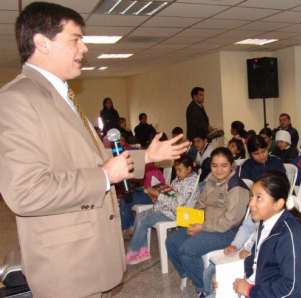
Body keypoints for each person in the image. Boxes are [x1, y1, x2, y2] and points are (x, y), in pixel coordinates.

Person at [0, 2, 189, 297]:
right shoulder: (16, 100)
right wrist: (102, 177)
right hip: (66, 267)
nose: (84, 48)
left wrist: (147, 157)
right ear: (42, 42)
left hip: (89, 260)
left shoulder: (62, 95)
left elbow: (92, 159)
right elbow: (25, 192)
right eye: (75, 39)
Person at [166, 147, 249, 297]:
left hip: (228, 232)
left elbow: (231, 220)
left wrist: (203, 227)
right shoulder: (211, 180)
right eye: (214, 165)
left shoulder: (236, 186)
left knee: (187, 250)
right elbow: (200, 204)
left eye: (224, 165)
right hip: (207, 226)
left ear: (232, 165)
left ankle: (204, 290)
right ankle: (192, 274)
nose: (218, 170)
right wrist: (194, 221)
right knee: (172, 241)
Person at [232, 171, 301, 298]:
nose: (251, 203)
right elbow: (255, 259)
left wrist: (250, 291)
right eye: (252, 196)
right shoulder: (265, 223)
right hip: (261, 286)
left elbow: (292, 289)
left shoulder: (291, 236)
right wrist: (233, 280)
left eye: (259, 197)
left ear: (278, 204)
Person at [125, 156, 199, 265]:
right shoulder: (179, 179)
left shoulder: (190, 183)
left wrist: (159, 195)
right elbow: (172, 195)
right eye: (176, 170)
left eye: (180, 170)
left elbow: (177, 205)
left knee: (143, 220)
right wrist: (159, 192)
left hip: (177, 214)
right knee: (140, 215)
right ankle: (143, 250)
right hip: (166, 209)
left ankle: (134, 250)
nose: (177, 173)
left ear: (189, 169)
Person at [203, 214, 256, 295]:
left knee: (217, 277)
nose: (252, 203)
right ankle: (209, 293)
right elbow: (246, 228)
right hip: (244, 253)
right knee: (207, 273)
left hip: (254, 260)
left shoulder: (278, 227)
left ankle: (215, 294)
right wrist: (235, 245)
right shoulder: (257, 211)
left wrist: (251, 255)